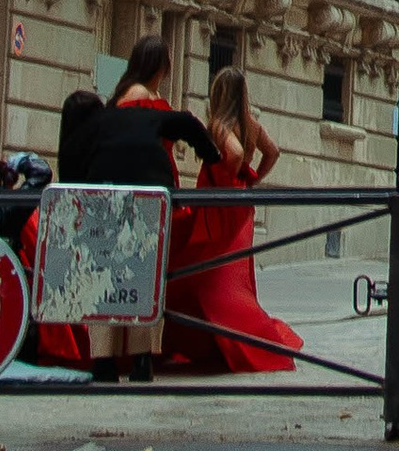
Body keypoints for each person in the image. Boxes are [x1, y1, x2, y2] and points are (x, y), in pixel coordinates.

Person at [67, 36, 213, 385]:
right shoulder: (153, 105)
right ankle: (141, 359)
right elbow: (188, 128)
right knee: (144, 271)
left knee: (104, 271)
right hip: (150, 191)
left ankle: (103, 359)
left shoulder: (114, 102)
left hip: (105, 193)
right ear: (161, 68)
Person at [169, 67, 302, 375]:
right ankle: (228, 334)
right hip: (240, 204)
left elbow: (235, 152)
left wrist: (228, 173)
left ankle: (220, 333)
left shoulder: (218, 125)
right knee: (232, 272)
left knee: (206, 272)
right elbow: (273, 152)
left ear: (218, 94)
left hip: (218, 203)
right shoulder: (251, 124)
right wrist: (250, 180)